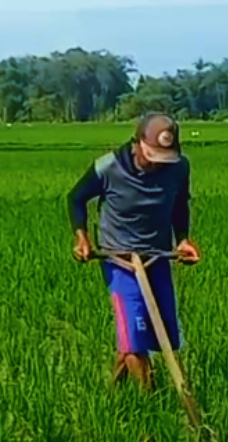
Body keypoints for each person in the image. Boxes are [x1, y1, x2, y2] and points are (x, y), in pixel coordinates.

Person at [68, 112, 200, 387]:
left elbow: (179, 205)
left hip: (158, 256)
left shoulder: (179, 168)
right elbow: (76, 198)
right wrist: (82, 237)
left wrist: (183, 240)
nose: (157, 165)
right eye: (152, 156)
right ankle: (149, 403)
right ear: (138, 143)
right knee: (134, 335)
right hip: (119, 259)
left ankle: (113, 395)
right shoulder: (108, 167)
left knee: (163, 334)